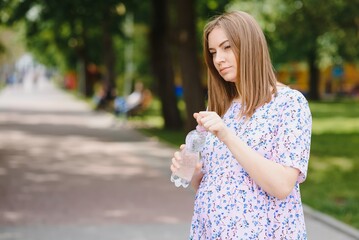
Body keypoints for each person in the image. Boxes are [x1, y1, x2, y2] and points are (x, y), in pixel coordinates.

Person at [170, 10, 312, 239]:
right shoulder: (219, 108)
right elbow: (218, 185)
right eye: (213, 52)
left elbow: (282, 186)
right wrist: (194, 174)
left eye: (227, 47)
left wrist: (227, 136)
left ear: (250, 46)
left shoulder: (289, 104)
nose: (218, 59)